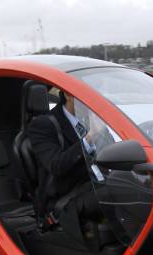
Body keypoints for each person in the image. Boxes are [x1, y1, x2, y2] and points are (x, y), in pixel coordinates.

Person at [26, 90, 104, 243]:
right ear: (69, 94)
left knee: (132, 184)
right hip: (66, 199)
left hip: (93, 187)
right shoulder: (43, 125)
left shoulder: (90, 121)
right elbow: (56, 165)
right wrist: (90, 137)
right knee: (115, 192)